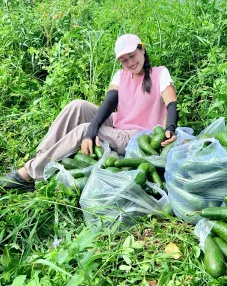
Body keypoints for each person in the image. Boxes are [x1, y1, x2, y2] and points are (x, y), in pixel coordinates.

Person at [0, 34, 178, 192]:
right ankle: (41, 159)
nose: (130, 62)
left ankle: (27, 174)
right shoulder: (121, 75)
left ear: (142, 50)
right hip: (118, 124)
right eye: (124, 60)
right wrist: (93, 130)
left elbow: (171, 103)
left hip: (137, 135)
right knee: (77, 106)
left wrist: (170, 127)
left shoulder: (159, 73)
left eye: (132, 56)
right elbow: (109, 103)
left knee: (83, 130)